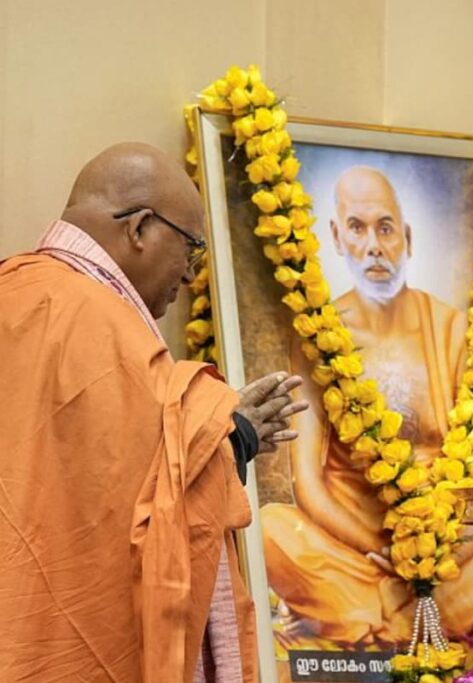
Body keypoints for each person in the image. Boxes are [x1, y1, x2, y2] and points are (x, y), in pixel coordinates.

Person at [0, 142, 308, 681]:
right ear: (141, 228)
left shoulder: (15, 288)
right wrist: (234, 436)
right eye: (191, 251)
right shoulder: (99, 323)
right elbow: (153, 495)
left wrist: (221, 429)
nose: (190, 276)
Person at [261, 166, 473, 647]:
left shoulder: (449, 328)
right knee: (269, 530)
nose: (374, 246)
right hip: (356, 549)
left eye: (385, 227)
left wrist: (441, 549)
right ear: (337, 237)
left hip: (453, 545)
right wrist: (389, 551)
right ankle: (438, 615)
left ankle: (383, 619)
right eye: (358, 228)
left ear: (406, 237)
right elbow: (308, 486)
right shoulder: (317, 336)